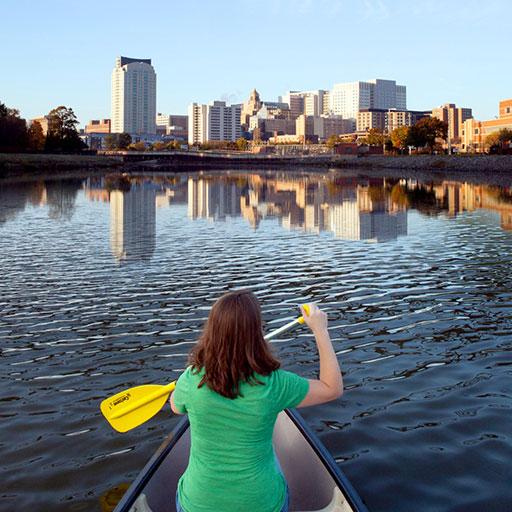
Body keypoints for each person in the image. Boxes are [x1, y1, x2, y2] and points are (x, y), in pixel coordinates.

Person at [170, 290, 343, 512]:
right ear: (256, 332)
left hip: (197, 504)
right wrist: (320, 330)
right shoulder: (274, 384)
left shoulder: (191, 379)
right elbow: (332, 388)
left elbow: (175, 407)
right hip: (261, 503)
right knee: (273, 461)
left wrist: (184, 382)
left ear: (212, 330)